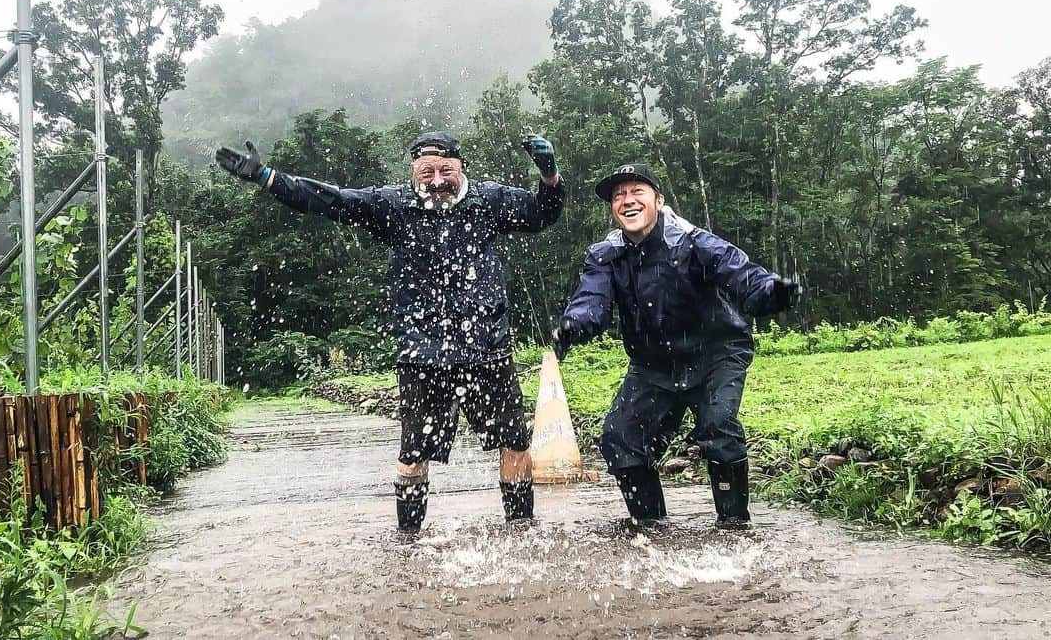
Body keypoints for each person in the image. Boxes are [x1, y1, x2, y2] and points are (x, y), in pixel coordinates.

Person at [216, 131, 565, 531]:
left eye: (445, 170)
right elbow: (332, 201)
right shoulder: (394, 206)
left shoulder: (489, 200)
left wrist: (549, 174)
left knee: (515, 442)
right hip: (422, 353)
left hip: (486, 346)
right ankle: (409, 539)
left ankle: (521, 532)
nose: (436, 180)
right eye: (426, 172)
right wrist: (268, 178)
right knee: (414, 451)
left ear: (461, 167)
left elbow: (543, 214)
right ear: (413, 173)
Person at [552, 164, 800, 528]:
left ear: (658, 200)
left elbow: (741, 275)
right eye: (618, 196)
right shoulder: (606, 255)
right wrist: (574, 325)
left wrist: (773, 293)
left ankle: (734, 528)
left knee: (718, 427)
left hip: (717, 354)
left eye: (637, 191)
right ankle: (651, 529)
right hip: (653, 365)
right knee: (621, 438)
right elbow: (592, 299)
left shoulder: (693, 241)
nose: (627, 201)